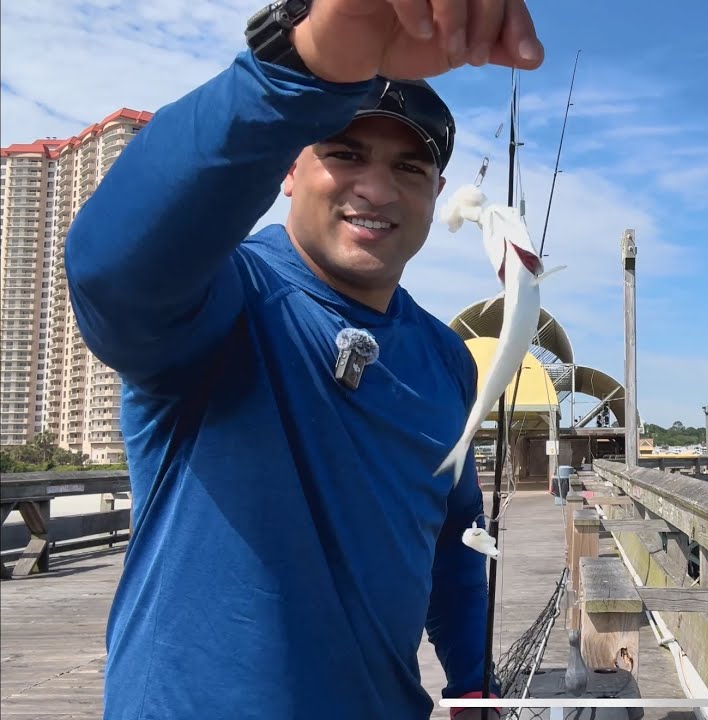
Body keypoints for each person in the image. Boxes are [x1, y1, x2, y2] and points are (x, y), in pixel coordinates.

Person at [63, 1, 544, 718]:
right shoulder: (220, 299)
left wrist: (474, 684)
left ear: (438, 195)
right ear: (290, 167)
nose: (376, 189)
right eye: (344, 153)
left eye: (409, 167)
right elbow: (111, 271)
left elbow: (454, 536)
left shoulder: (447, 359)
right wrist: (298, 69)